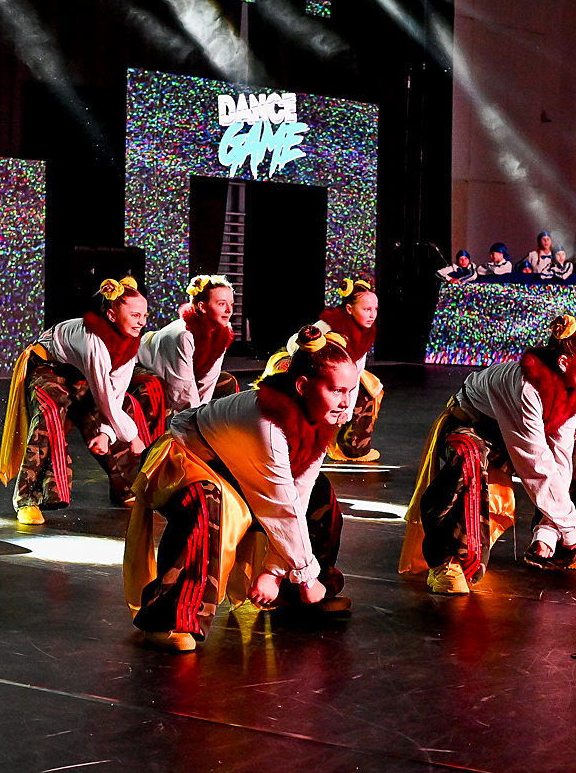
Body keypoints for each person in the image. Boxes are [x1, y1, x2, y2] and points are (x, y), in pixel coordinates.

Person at [123, 326, 356, 651]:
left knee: (320, 493)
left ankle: (294, 594)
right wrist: (304, 575)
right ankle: (170, 617)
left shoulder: (319, 418)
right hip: (183, 458)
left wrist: (278, 573)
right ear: (302, 386)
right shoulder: (267, 423)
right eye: (337, 390)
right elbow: (279, 506)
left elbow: (299, 494)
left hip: (232, 466)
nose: (346, 402)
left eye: (350, 391)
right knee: (205, 500)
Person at [401, 314, 576, 593]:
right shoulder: (527, 387)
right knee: (469, 453)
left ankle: (554, 548)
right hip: (472, 425)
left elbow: (560, 455)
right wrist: (570, 526)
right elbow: (535, 464)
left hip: (509, 432)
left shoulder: (574, 389)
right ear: (563, 362)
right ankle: (447, 560)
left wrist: (550, 530)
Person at [0, 277, 149, 525]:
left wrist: (106, 433)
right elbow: (104, 394)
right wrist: (131, 436)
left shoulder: (131, 339)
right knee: (49, 414)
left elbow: (117, 390)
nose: (141, 322)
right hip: (49, 369)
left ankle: (126, 487)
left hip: (81, 377)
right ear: (112, 315)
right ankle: (27, 499)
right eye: (135, 315)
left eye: (144, 315)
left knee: (125, 408)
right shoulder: (93, 338)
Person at [263, 278, 384, 464]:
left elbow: (357, 369)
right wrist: (310, 364)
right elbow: (293, 343)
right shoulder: (332, 324)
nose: (372, 315)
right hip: (302, 364)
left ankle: (352, 448)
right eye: (367, 309)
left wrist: (347, 410)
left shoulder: (366, 333)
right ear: (350, 309)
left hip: (335, 372)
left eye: (375, 309)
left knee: (368, 392)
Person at [134, 275, 240, 432]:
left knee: (226, 381)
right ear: (202, 307)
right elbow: (182, 387)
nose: (229, 310)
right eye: (221, 304)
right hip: (142, 363)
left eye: (231, 304)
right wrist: (195, 424)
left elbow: (209, 378)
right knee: (155, 389)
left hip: (182, 373)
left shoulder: (224, 332)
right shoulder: (184, 334)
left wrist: (202, 416)